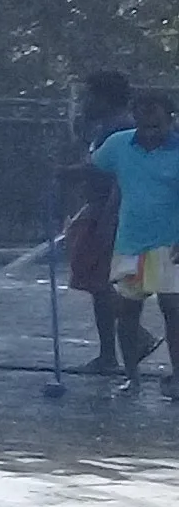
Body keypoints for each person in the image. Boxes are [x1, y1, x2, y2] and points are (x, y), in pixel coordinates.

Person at [89, 88, 179, 396]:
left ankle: (178, 378)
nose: (149, 131)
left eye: (157, 124)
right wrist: (62, 173)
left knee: (173, 309)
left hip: (170, 243)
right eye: (143, 123)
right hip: (130, 242)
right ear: (135, 118)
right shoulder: (120, 144)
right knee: (127, 310)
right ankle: (131, 376)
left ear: (171, 120)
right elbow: (95, 166)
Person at [70, 72, 154, 375]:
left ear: (104, 98)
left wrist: (109, 215)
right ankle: (110, 352)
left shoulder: (120, 129)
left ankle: (129, 342)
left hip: (111, 210)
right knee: (98, 281)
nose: (84, 102)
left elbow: (119, 174)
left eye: (89, 96)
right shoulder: (107, 128)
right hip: (101, 208)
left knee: (102, 281)